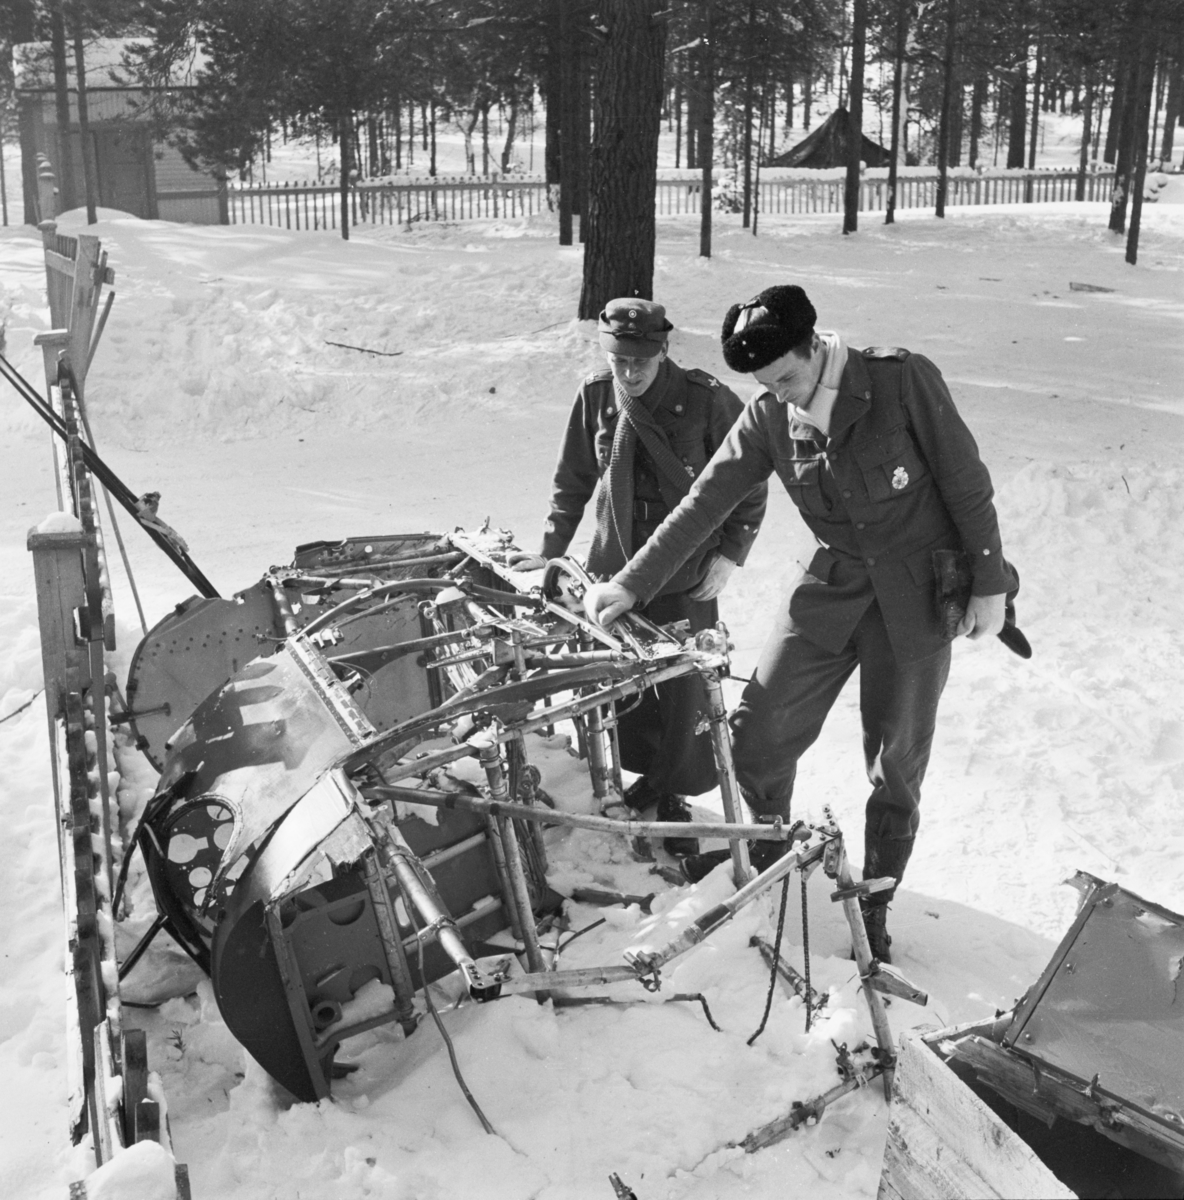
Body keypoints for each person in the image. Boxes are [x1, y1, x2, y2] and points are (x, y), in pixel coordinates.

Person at [584, 285, 1022, 962]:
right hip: (832, 588)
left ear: (814, 347)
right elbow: (704, 504)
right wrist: (629, 582)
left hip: (915, 596)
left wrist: (989, 586)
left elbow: (967, 483)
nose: (781, 395)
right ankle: (767, 857)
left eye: (786, 377)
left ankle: (875, 900)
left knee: (896, 761)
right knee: (757, 732)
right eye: (767, 385)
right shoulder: (767, 416)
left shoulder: (900, 381)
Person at [515, 297, 767, 856]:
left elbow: (750, 482)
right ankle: (636, 782)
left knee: (683, 695)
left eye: (641, 363)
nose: (629, 373)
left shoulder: (707, 401)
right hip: (613, 569)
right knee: (624, 688)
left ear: (664, 350)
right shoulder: (595, 396)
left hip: (684, 573)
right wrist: (550, 554)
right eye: (619, 362)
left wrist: (732, 553)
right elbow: (572, 482)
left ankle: (672, 799)